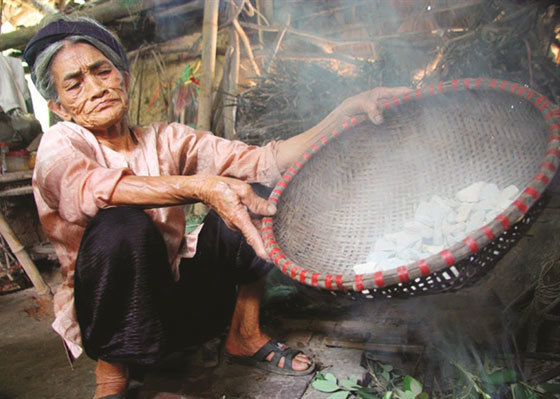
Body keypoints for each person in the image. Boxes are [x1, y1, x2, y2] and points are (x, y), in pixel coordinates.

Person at [24, 14, 410, 399]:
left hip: (177, 305)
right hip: (111, 316)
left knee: (257, 191)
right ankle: (113, 378)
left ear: (123, 77)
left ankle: (244, 332)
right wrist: (202, 187)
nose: (95, 88)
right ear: (60, 107)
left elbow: (263, 161)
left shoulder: (165, 138)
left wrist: (343, 113)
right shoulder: (61, 143)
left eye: (102, 71)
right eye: (74, 84)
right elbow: (86, 188)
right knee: (121, 224)